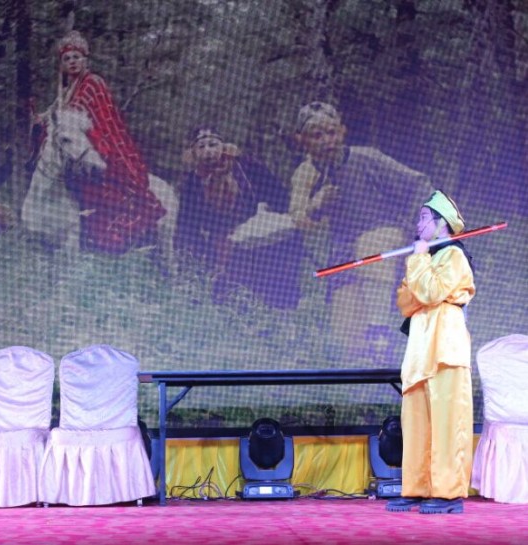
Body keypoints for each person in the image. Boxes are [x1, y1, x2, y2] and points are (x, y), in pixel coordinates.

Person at [289, 101, 433, 363]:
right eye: (317, 135)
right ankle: (371, 365)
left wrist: (415, 229)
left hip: (389, 238)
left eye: (331, 132)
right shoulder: (305, 174)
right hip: (343, 255)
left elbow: (418, 184)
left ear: (342, 131)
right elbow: (298, 218)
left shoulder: (367, 158)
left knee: (370, 246)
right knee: (351, 342)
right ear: (301, 140)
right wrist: (316, 205)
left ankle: (380, 334)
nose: (326, 141)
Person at [386, 190, 475, 515]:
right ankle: (418, 488)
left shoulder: (454, 256)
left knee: (447, 425)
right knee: (417, 424)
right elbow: (406, 301)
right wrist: (420, 265)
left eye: (424, 217)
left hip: (445, 349)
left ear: (442, 223)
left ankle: (448, 494)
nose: (418, 223)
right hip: (419, 351)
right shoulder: (425, 258)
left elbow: (431, 291)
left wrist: (419, 261)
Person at [40, 30, 165, 254]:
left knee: (103, 178)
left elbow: (99, 114)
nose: (72, 62)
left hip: (96, 141)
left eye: (76, 57)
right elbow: (54, 115)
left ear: (84, 59)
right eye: (67, 59)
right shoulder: (66, 91)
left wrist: (70, 118)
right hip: (70, 144)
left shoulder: (93, 82)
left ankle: (119, 234)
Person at [175, 126, 301, 308]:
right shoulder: (192, 184)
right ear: (193, 153)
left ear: (223, 147)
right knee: (236, 297)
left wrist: (269, 213)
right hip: (225, 244)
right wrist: (203, 252)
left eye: (213, 144)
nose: (208, 151)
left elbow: (278, 194)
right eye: (201, 147)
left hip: (262, 233)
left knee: (278, 290)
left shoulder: (248, 167)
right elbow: (187, 226)